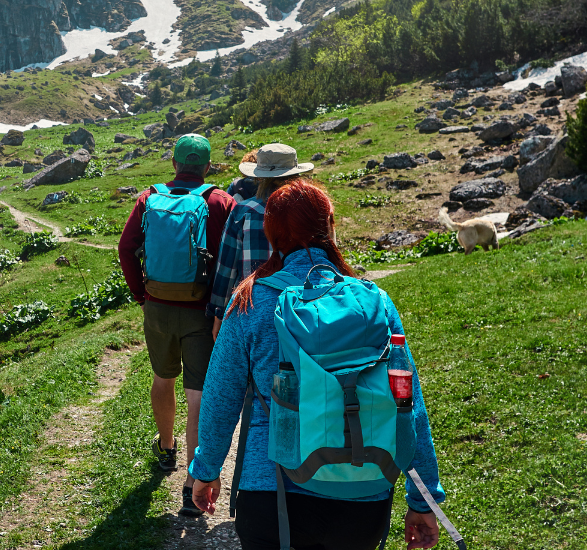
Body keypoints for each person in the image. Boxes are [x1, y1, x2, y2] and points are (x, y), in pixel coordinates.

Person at [188, 180, 446, 550]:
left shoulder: (251, 301)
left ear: (272, 235)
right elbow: (408, 405)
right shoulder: (375, 303)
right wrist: (422, 500)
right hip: (364, 495)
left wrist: (206, 471)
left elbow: (220, 397)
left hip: (272, 492)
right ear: (330, 225)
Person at [117, 133, 236, 518]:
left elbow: (125, 248)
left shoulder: (148, 197)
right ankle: (191, 484)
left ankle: (166, 448)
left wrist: (142, 295)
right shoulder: (218, 201)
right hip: (202, 312)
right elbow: (228, 259)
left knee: (162, 378)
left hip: (158, 306)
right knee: (197, 397)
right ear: (206, 166)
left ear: (174, 164)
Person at [209, 144, 313, 338]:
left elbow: (226, 269)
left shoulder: (244, 212)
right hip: (305, 310)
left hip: (254, 310)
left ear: (260, 177)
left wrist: (218, 315)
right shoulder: (312, 211)